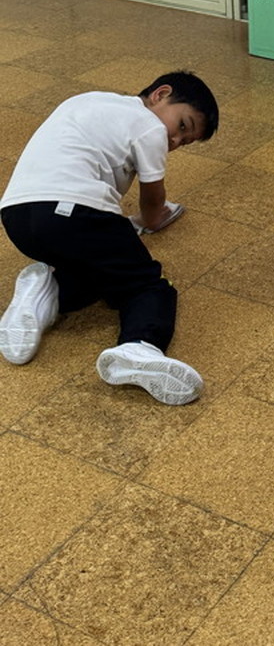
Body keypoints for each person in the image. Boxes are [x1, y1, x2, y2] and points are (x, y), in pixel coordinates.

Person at [0, 70, 219, 404]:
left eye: (184, 142)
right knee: (147, 285)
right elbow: (152, 199)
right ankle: (139, 345)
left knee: (103, 272)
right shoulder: (149, 126)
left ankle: (45, 293)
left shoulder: (88, 101)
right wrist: (152, 219)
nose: (174, 141)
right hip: (75, 209)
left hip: (17, 216)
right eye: (182, 126)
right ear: (161, 94)